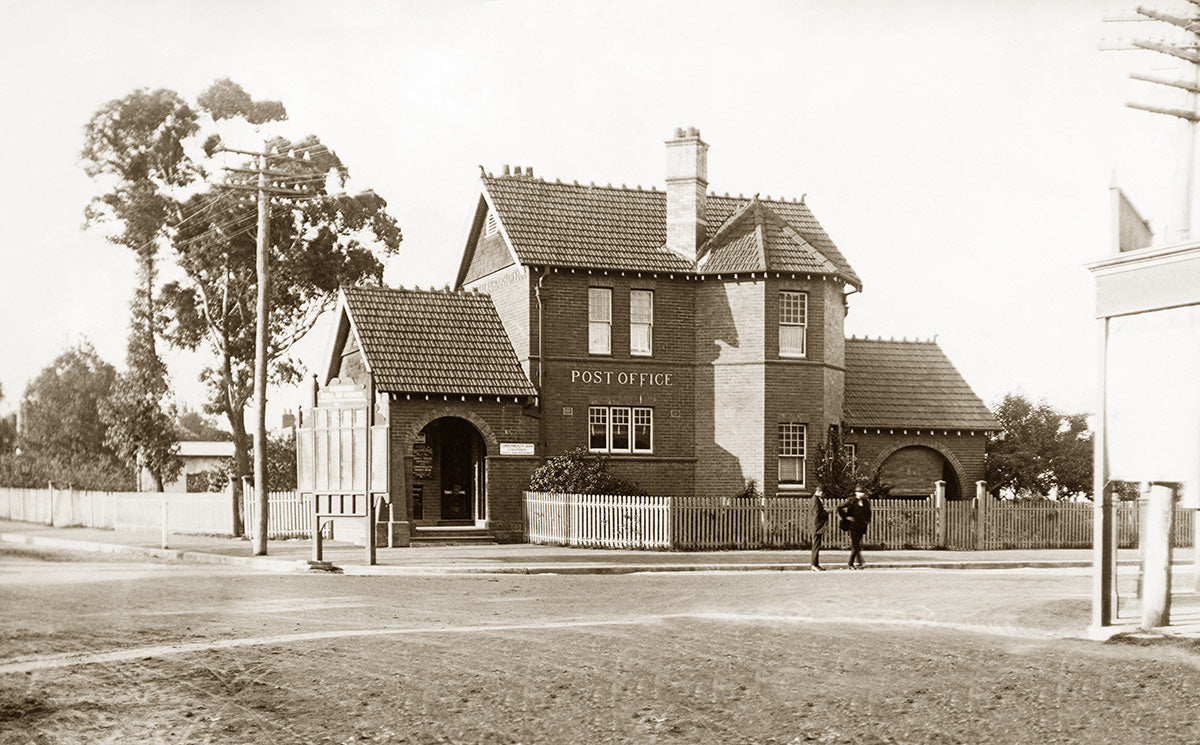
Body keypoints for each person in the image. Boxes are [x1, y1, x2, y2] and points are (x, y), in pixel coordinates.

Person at [837, 490, 871, 569]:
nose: (861, 494)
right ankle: (850, 564)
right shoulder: (851, 500)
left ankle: (859, 562)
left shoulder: (865, 502)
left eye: (863, 492)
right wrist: (846, 517)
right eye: (860, 492)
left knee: (857, 545)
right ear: (856, 493)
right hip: (852, 526)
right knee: (855, 545)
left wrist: (867, 520)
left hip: (861, 526)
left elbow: (869, 512)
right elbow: (839, 508)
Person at [810, 489, 828, 571]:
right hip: (817, 525)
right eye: (822, 492)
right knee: (816, 546)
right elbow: (817, 513)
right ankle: (814, 564)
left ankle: (816, 564)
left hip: (816, 525)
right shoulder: (815, 500)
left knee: (817, 545)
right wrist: (826, 512)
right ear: (818, 491)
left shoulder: (816, 499)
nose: (823, 494)